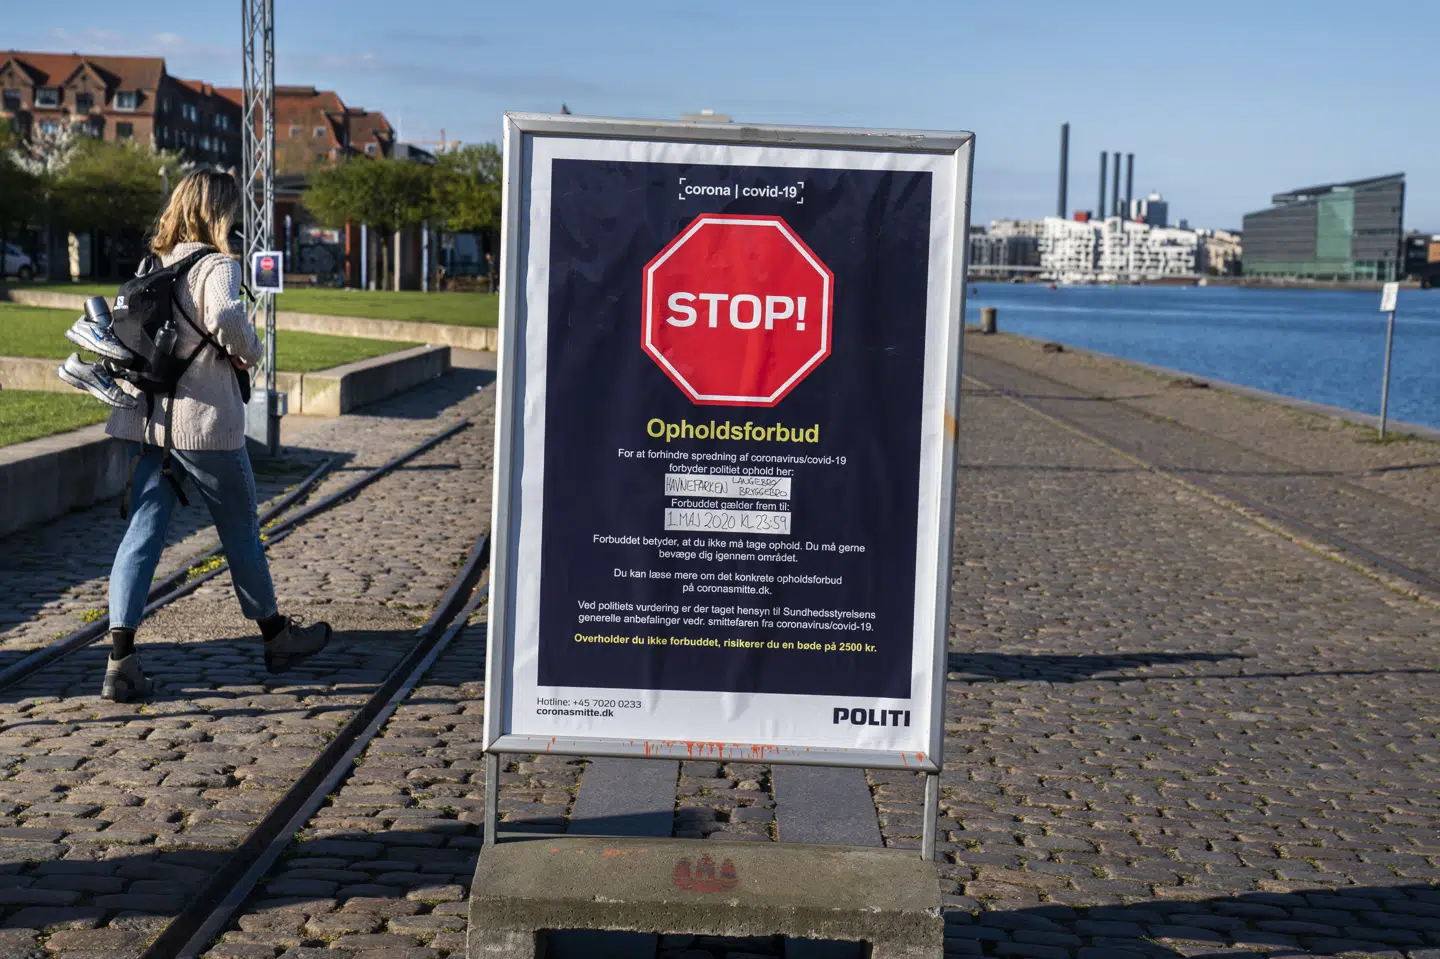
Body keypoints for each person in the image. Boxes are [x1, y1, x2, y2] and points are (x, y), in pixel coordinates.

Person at [101, 169, 331, 702]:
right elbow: (227, 314)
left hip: (149, 423)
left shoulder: (153, 264)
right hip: (205, 425)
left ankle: (121, 659)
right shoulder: (217, 265)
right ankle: (277, 638)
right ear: (219, 213)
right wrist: (249, 349)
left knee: (142, 533)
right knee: (241, 530)